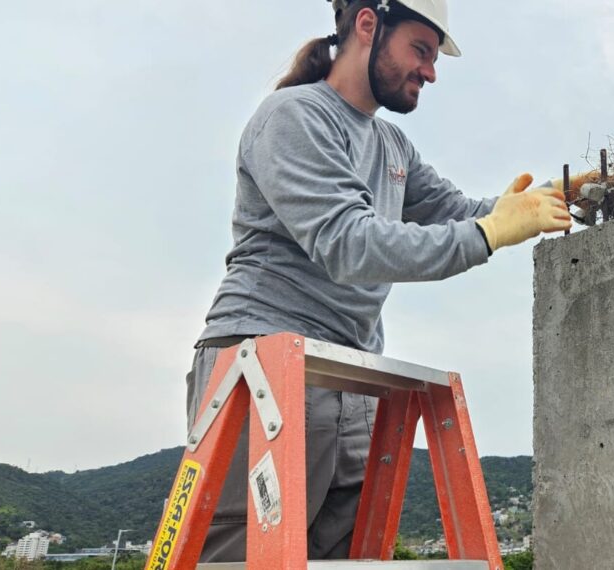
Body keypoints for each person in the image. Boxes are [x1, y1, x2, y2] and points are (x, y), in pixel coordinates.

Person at [185, 0, 585, 561]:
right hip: (263, 358)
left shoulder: (392, 146)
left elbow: (459, 211)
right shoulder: (295, 116)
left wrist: (537, 200)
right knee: (245, 556)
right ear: (368, 25)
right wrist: (491, 232)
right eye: (420, 50)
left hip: (350, 373)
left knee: (341, 555)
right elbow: (348, 241)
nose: (431, 70)